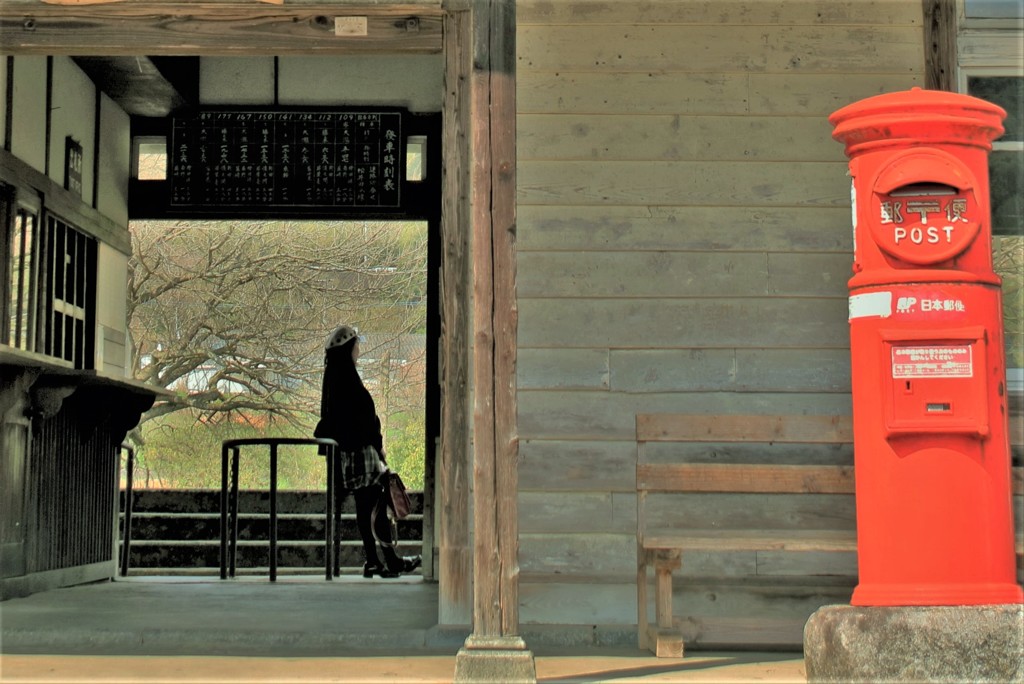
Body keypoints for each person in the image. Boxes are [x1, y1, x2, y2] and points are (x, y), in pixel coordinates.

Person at [314, 324, 421, 578]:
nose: (359, 350)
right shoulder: (348, 379)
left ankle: (377, 560)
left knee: (367, 509)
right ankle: (385, 560)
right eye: (357, 345)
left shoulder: (333, 378)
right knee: (374, 508)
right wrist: (379, 446)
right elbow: (365, 419)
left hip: (349, 457)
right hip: (363, 455)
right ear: (349, 347)